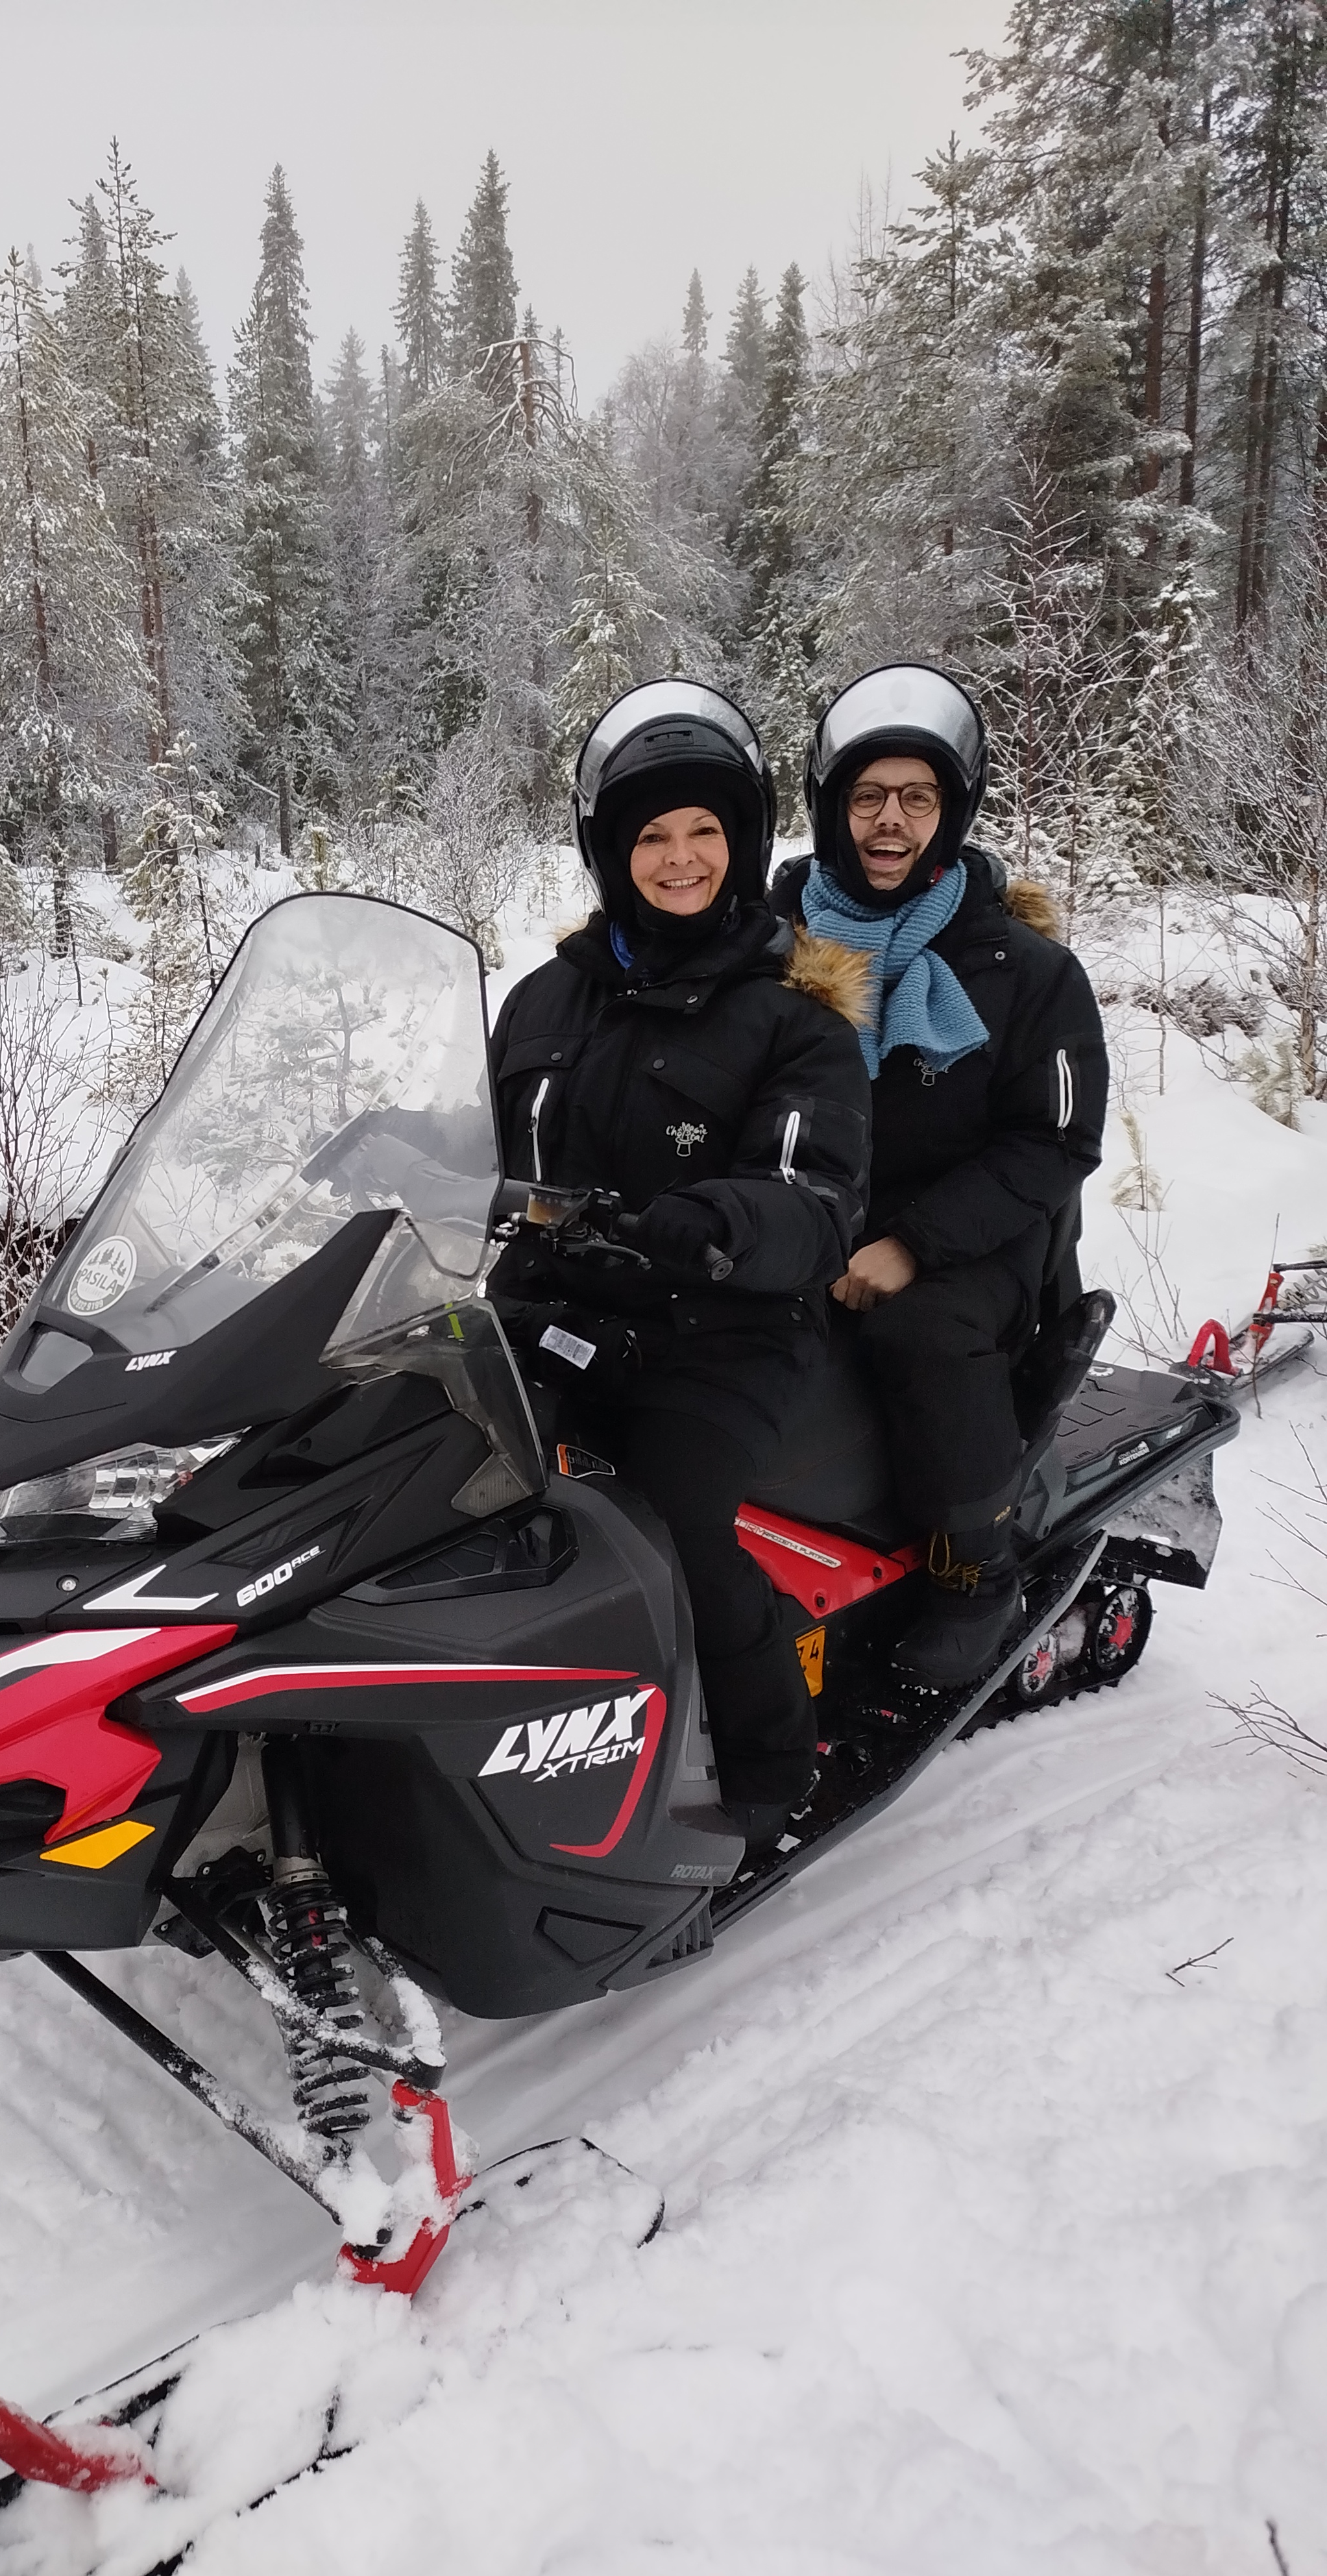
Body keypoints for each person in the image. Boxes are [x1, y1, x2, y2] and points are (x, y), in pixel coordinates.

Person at [489, 681, 873, 1840]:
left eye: (705, 830)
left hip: (719, 1331)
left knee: (668, 1524)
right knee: (415, 1468)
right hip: (549, 1310)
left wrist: (720, 1220)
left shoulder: (795, 1016)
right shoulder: (544, 998)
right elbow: (481, 1140)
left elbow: (816, 1198)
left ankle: (770, 1772)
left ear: (743, 845)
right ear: (612, 853)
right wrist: (386, 1146)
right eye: (652, 834)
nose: (680, 857)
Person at [772, 663, 1109, 1686]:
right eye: (868, 796)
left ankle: (976, 1568)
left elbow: (1055, 1143)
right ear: (831, 808)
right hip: (811, 1213)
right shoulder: (773, 947)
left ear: (952, 812)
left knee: (920, 1332)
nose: (891, 820)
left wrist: (912, 1245)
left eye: (918, 798)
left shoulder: (1027, 972)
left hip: (974, 1243)